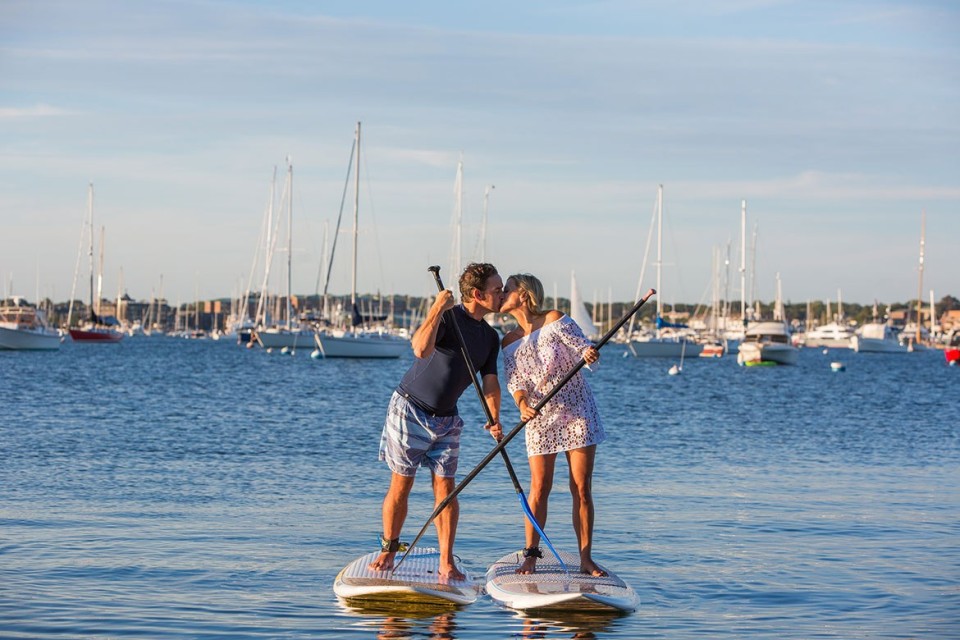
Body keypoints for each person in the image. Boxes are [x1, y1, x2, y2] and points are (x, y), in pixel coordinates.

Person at [369, 263, 504, 579]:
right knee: (402, 484)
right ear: (477, 294)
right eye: (497, 290)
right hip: (410, 410)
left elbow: (491, 382)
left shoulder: (489, 336)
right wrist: (436, 309)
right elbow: (419, 349)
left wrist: (494, 417)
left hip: (447, 420)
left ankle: (446, 561)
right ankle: (389, 550)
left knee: (447, 489)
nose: (502, 295)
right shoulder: (448, 318)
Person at [500, 272, 607, 577]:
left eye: (506, 290)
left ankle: (586, 559)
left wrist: (588, 354)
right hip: (539, 418)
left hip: (577, 411)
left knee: (581, 488)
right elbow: (515, 381)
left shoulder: (556, 319)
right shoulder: (507, 340)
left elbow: (584, 350)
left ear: (523, 294)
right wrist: (522, 405)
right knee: (538, 488)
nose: (501, 296)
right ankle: (531, 555)